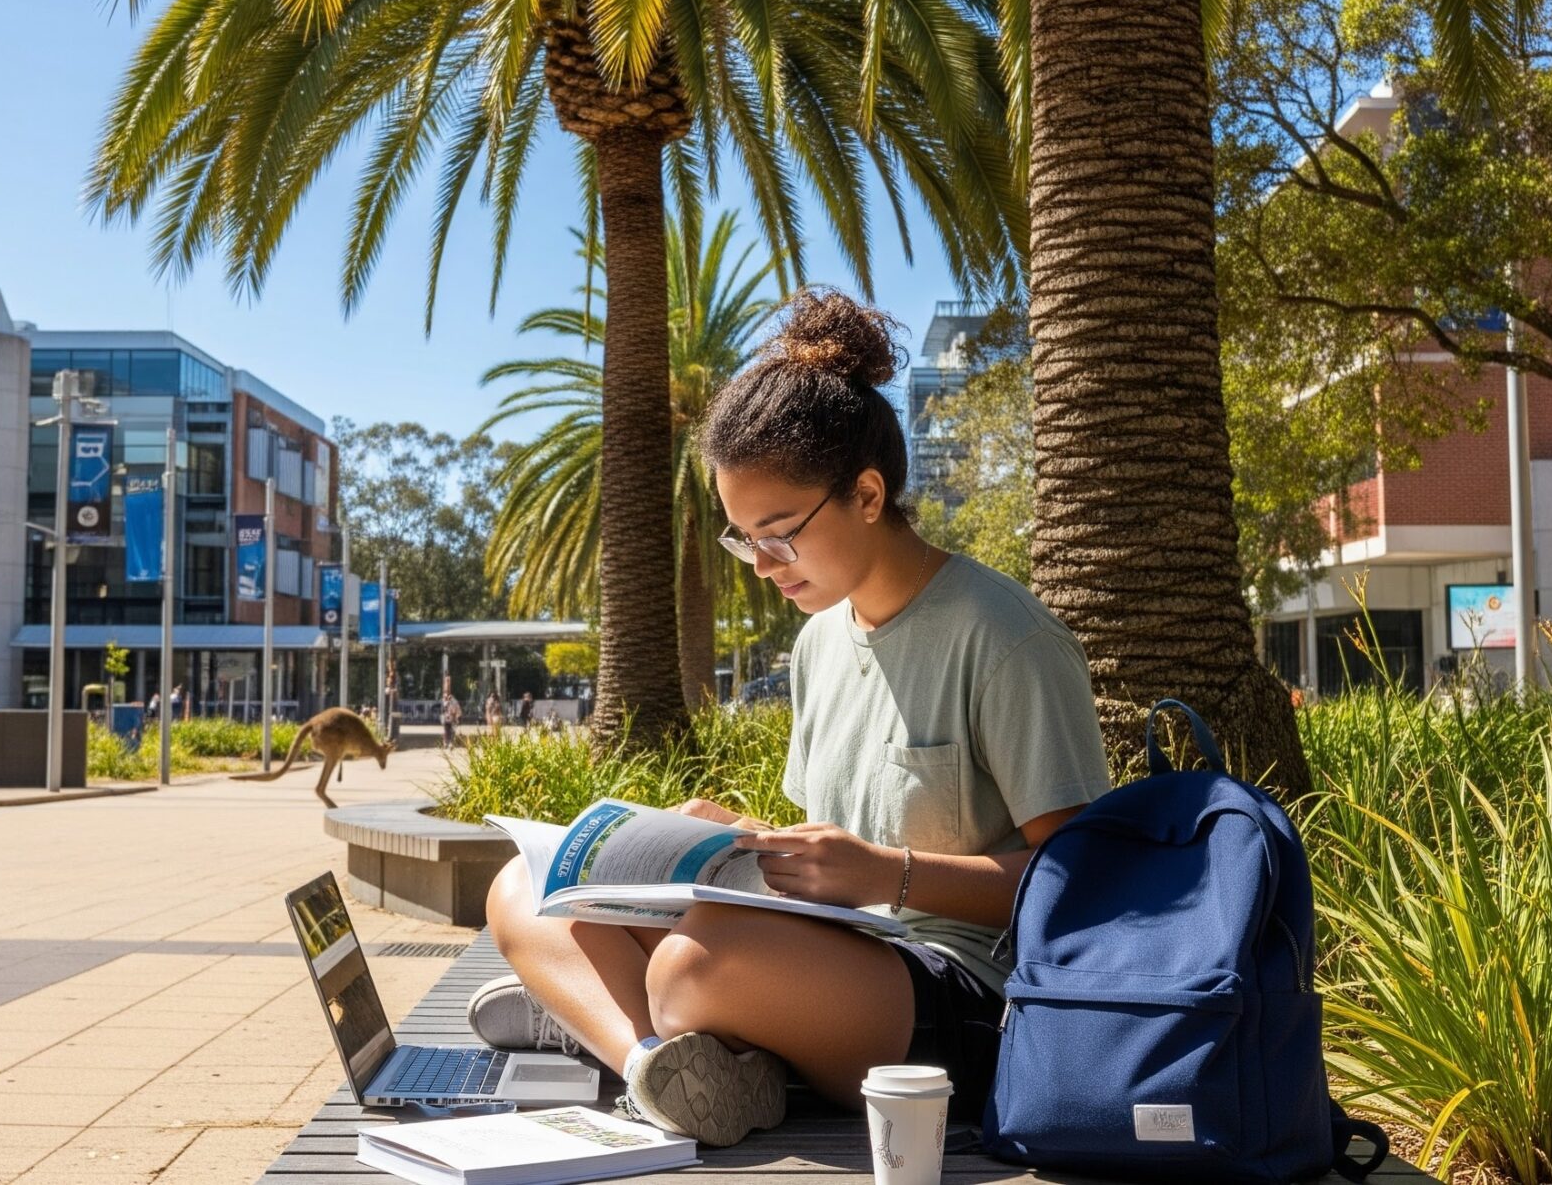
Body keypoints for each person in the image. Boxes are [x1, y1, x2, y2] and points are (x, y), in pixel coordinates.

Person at [469, 291, 1110, 1146]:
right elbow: (828, 850)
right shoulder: (821, 641)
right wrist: (740, 838)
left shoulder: (1005, 639)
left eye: (778, 534)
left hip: (963, 999)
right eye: (743, 539)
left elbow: (1084, 887)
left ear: (870, 494)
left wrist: (891, 874)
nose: (763, 565)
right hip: (836, 951)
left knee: (697, 964)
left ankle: (638, 1028)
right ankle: (656, 1067)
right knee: (520, 890)